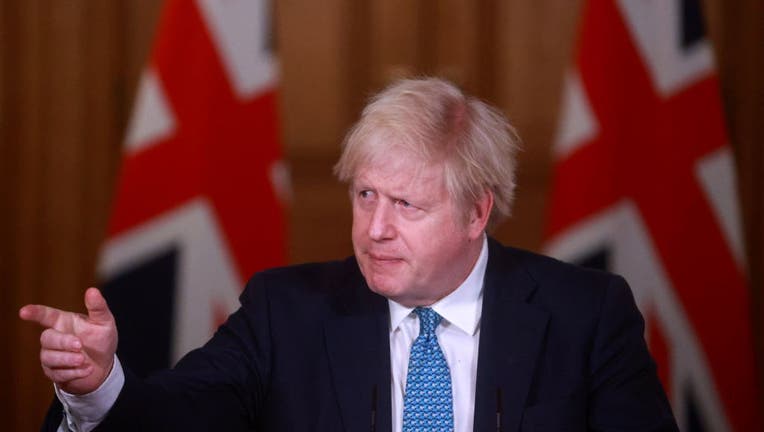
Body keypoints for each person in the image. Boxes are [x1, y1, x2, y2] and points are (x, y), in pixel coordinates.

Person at [20, 77, 677, 431]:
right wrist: (100, 386)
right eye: (366, 195)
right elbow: (173, 417)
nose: (375, 229)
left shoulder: (586, 316)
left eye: (406, 205)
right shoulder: (287, 312)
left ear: (478, 211)